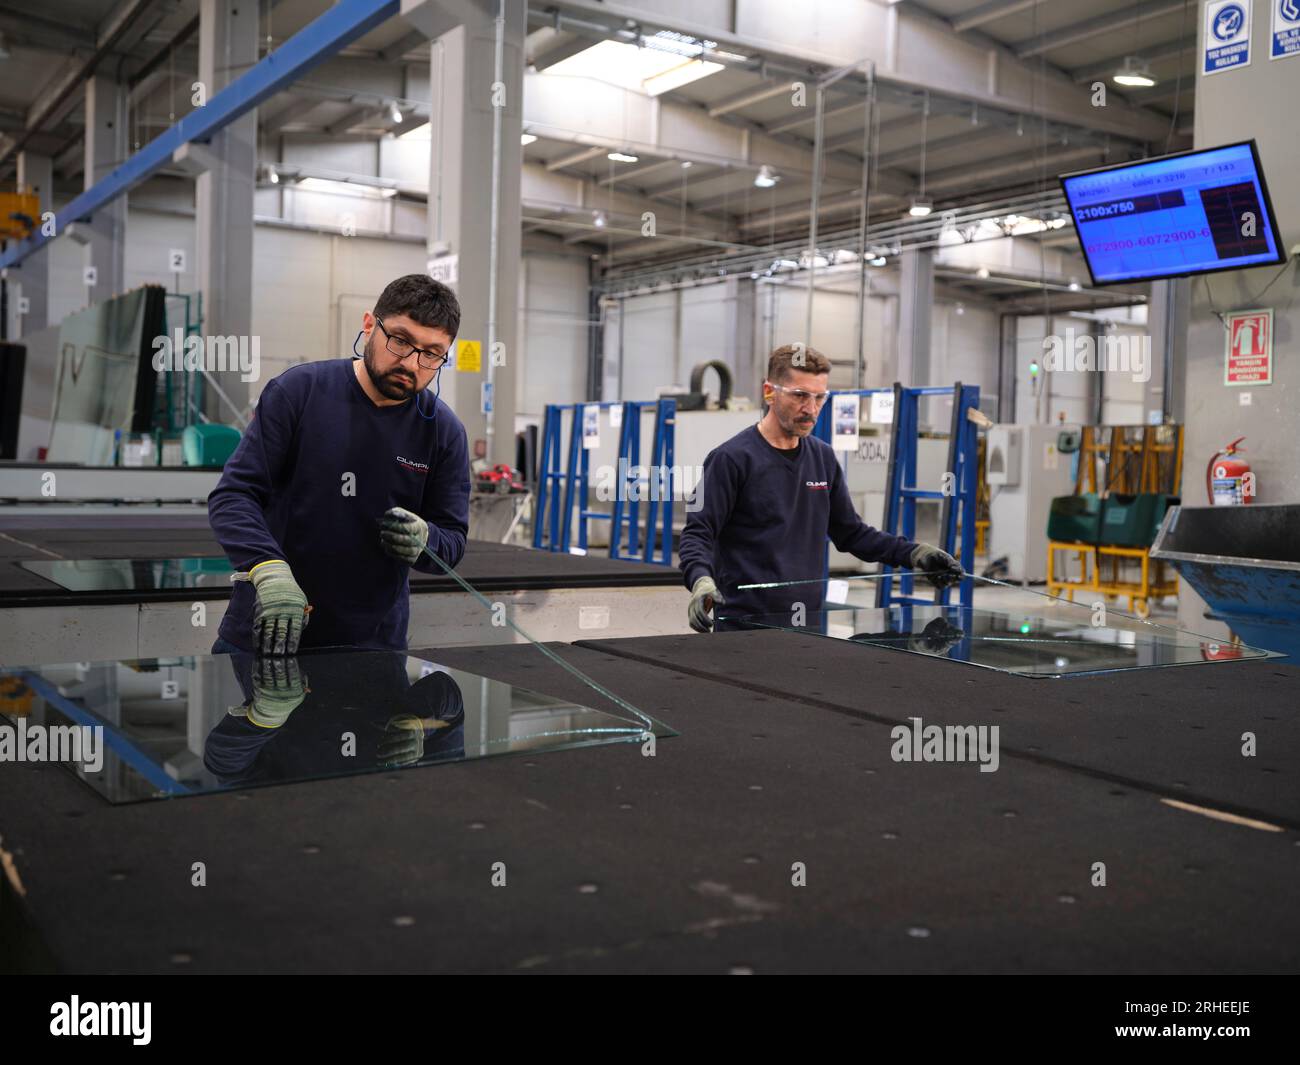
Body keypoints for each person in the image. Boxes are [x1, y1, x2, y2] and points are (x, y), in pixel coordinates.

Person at [207, 274, 471, 655]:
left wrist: (427, 540)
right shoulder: (299, 393)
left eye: (431, 353)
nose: (412, 363)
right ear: (369, 325)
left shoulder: (444, 432)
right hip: (265, 633)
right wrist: (267, 567)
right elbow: (234, 495)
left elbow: (453, 542)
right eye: (400, 340)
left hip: (371, 650)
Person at [678, 344, 963, 632]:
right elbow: (698, 532)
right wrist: (701, 581)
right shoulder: (731, 459)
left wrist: (914, 553)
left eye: (819, 398)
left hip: (808, 626)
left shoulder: (823, 458)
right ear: (769, 392)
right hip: (744, 629)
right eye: (800, 395)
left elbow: (852, 533)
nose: (811, 409)